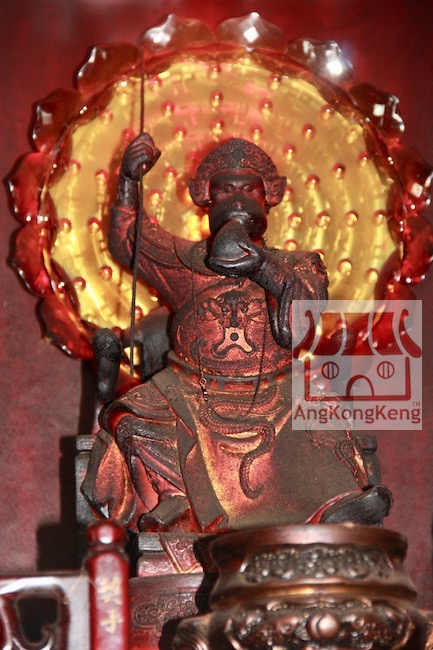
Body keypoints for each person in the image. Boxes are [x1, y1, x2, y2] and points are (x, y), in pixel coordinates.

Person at [82, 133, 391, 533]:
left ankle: (336, 504)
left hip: (277, 390)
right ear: (204, 196)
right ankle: (174, 498)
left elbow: (297, 329)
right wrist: (128, 180)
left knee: (322, 415)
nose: (238, 198)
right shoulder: (184, 261)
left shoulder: (300, 264)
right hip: (190, 389)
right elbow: (129, 239)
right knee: (133, 416)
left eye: (249, 188)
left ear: (271, 194)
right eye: (225, 189)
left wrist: (261, 266)